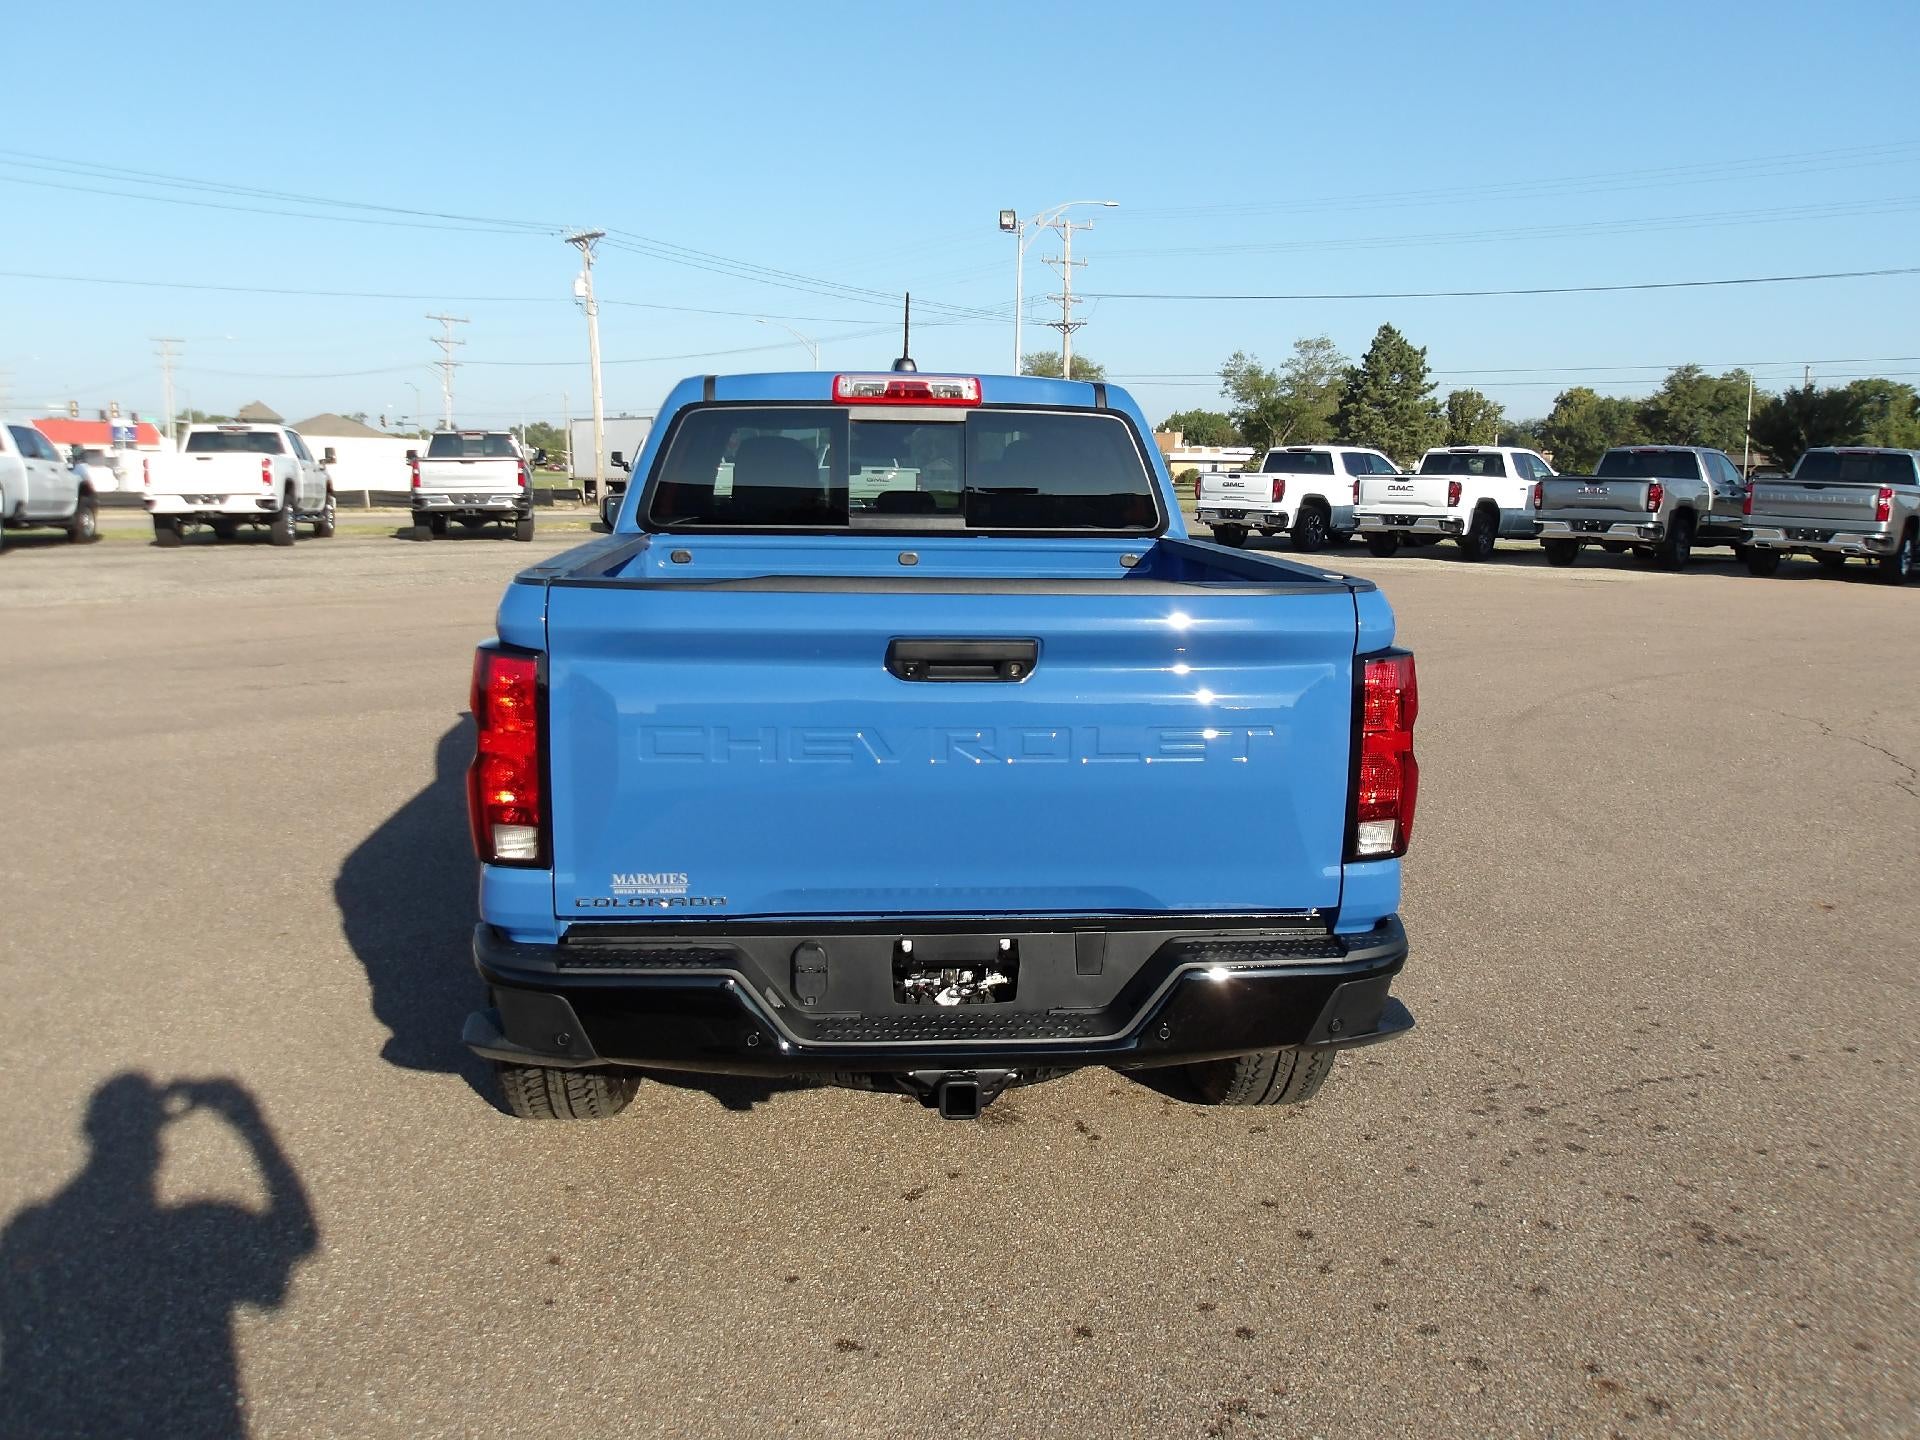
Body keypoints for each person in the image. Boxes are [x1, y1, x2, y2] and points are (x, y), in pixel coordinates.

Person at [0, 1074, 317, 1439]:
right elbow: (297, 1237)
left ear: (90, 1131)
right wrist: (249, 1122)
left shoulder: (32, 1230)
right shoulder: (200, 1225)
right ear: (158, 1143)